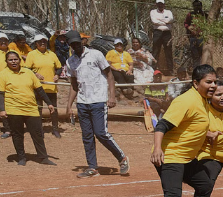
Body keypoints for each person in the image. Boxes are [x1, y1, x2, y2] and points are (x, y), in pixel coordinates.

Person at [149, 65, 218, 197]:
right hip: (170, 155)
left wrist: (208, 134)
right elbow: (162, 125)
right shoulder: (186, 100)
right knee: (173, 195)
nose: (213, 85)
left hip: (186, 158)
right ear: (196, 83)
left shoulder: (203, 100)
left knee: (204, 184)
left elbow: (190, 125)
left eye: (214, 82)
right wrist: (157, 149)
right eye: (208, 82)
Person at [64, 30, 129, 179]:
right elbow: (74, 85)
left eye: (78, 42)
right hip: (82, 102)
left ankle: (122, 158)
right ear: (70, 45)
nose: (76, 45)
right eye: (73, 44)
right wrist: (69, 105)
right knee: (87, 136)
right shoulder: (70, 62)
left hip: (98, 100)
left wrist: (111, 96)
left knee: (101, 133)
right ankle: (92, 167)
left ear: (82, 41)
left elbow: (110, 75)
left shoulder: (96, 54)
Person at [0, 51, 57, 166]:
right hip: (14, 109)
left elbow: (39, 89)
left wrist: (49, 103)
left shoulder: (28, 72)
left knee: (37, 133)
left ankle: (43, 157)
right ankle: (21, 157)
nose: (13, 62)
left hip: (31, 108)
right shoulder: (3, 74)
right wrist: (2, 109)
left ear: (20, 60)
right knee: (17, 134)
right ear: (6, 62)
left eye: (15, 59)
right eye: (10, 60)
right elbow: (1, 93)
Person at [24, 34, 62, 137]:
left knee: (53, 109)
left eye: (44, 41)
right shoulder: (31, 54)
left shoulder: (52, 54)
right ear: (36, 43)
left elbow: (59, 67)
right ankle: (39, 130)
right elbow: (27, 69)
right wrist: (35, 74)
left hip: (51, 87)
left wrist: (57, 75)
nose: (42, 43)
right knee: (38, 109)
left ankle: (55, 129)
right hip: (38, 88)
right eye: (40, 42)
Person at [150, 0, 174, 74]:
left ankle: (170, 70)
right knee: (156, 51)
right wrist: (165, 22)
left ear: (164, 4)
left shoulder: (168, 12)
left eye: (162, 4)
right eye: (159, 4)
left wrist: (159, 20)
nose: (160, 5)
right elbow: (154, 21)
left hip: (167, 34)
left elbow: (171, 20)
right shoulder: (153, 12)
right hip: (157, 33)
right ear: (156, 4)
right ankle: (153, 69)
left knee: (168, 51)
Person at [183, 0, 207, 68]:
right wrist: (188, 27)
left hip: (202, 38)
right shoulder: (190, 15)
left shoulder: (204, 15)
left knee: (202, 55)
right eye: (195, 6)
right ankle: (196, 70)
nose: (197, 7)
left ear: (201, 6)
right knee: (195, 55)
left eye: (199, 6)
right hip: (193, 38)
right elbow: (185, 23)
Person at [0, 33, 10, 138]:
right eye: (1, 40)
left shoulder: (13, 53)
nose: (3, 42)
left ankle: (8, 129)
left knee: (6, 106)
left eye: (5, 40)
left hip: (11, 83)